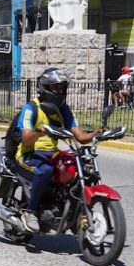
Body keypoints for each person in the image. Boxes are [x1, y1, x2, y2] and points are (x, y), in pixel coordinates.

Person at [14, 67, 99, 233]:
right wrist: (42, 131)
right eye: (56, 88)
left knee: (76, 167)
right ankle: (30, 212)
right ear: (45, 88)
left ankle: (70, 211)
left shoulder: (64, 110)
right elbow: (25, 138)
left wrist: (97, 133)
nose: (60, 92)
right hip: (28, 154)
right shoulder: (31, 108)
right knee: (45, 170)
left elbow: (80, 137)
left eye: (62, 88)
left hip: (51, 153)